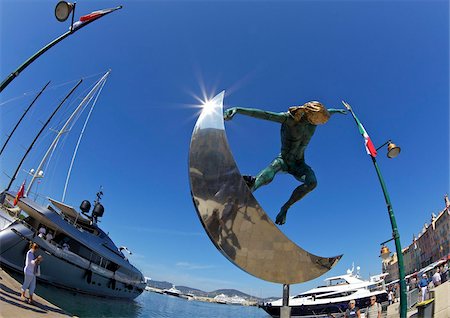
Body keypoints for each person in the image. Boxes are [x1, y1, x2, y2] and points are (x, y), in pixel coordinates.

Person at [223, 101, 346, 225]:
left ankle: (285, 208)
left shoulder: (313, 123)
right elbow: (264, 115)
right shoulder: (289, 119)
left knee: (312, 182)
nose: (320, 123)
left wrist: (337, 111)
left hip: (298, 163)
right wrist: (237, 109)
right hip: (283, 160)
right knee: (269, 174)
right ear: (311, 113)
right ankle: (248, 190)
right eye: (319, 120)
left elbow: (328, 112)